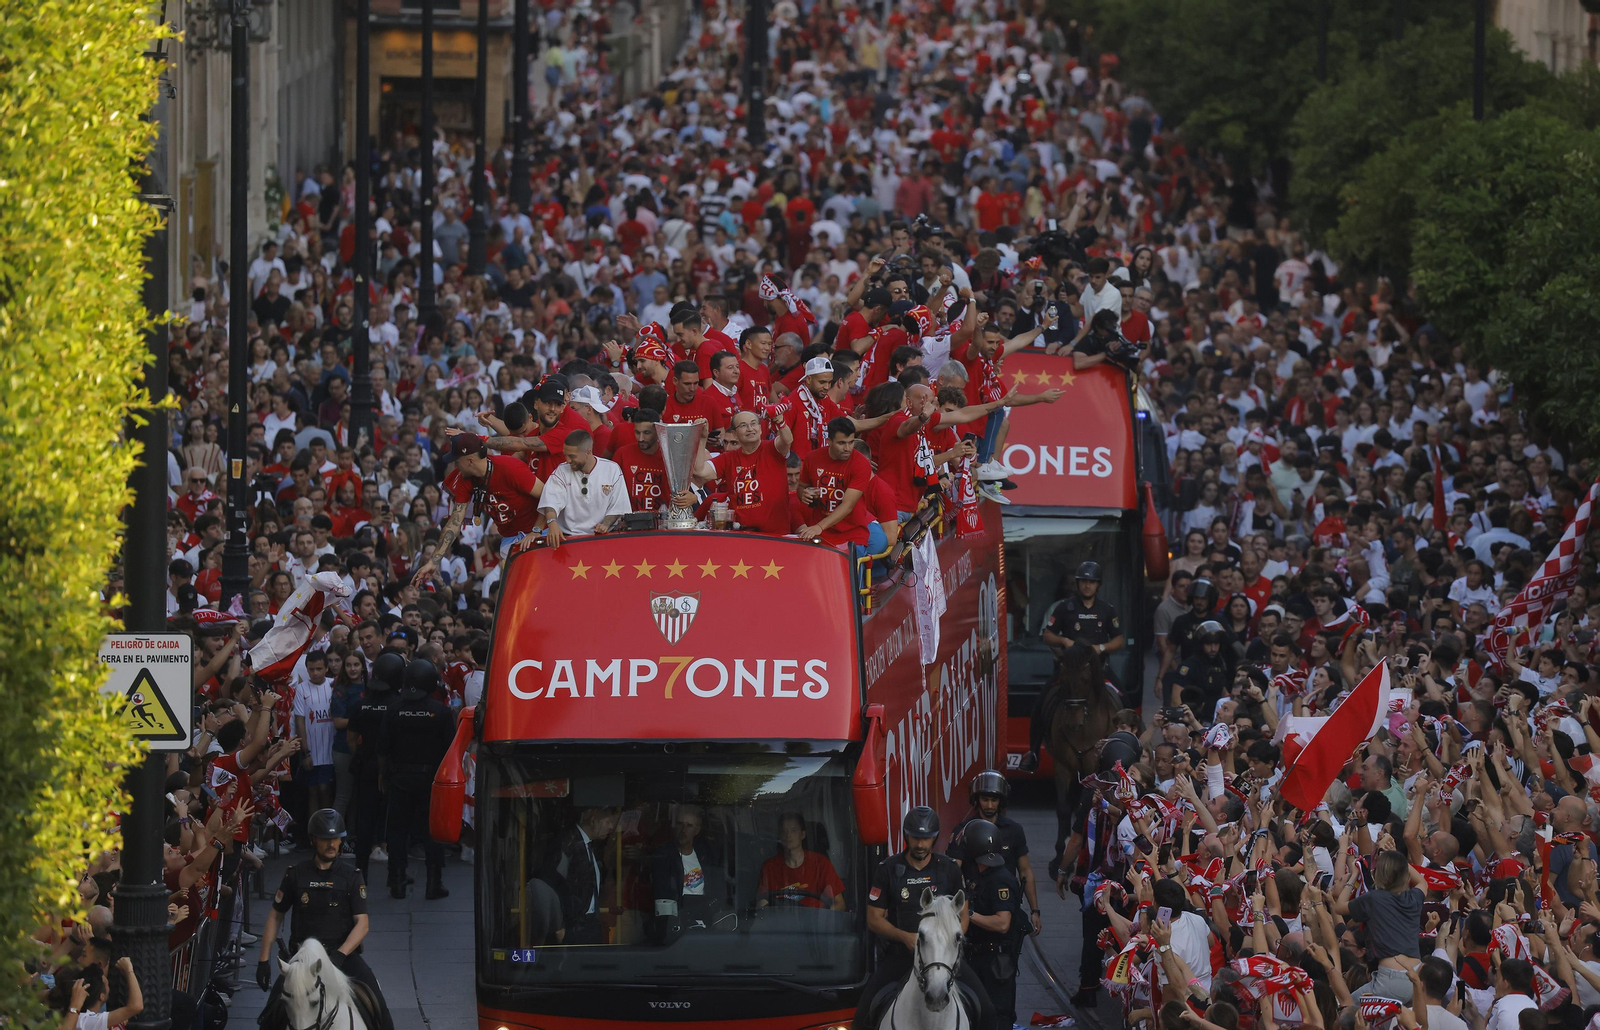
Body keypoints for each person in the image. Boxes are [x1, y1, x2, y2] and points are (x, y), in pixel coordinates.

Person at [852, 806, 995, 1030]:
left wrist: (948, 943)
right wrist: (905, 937)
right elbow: (874, 919)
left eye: (926, 839)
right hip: (900, 956)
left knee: (987, 1011)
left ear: (935, 838)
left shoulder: (949, 869)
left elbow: (963, 917)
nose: (920, 844)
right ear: (906, 836)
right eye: (915, 838)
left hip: (943, 959)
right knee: (862, 1017)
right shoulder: (887, 869)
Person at [256, 809, 394, 1030]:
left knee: (380, 1009)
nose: (331, 844)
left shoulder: (352, 876)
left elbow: (362, 924)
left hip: (342, 957)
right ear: (313, 840)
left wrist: (340, 955)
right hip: (302, 960)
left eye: (336, 838)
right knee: (269, 1018)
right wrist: (263, 960)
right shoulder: (296, 874)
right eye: (325, 839)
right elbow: (275, 915)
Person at [1020, 560, 1125, 771]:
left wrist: (1101, 648)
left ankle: (1130, 749)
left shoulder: (1107, 610)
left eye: (1092, 582)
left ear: (1098, 584)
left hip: (1098, 669)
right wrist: (1063, 641)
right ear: (1077, 583)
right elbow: (1047, 635)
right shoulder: (1064, 607)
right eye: (1083, 581)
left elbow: (1119, 640)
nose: (1087, 585)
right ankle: (1033, 753)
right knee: (1041, 703)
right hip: (1069, 669)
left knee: (1124, 700)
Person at [378, 659, 455, 900]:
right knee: (433, 831)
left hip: (400, 777)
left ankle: (397, 881)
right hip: (431, 780)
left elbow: (383, 748)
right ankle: (434, 883)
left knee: (398, 830)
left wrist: (382, 774)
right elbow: (450, 749)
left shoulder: (394, 709)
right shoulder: (441, 712)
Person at [945, 771, 1040, 937]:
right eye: (985, 799)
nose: (989, 805)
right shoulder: (963, 830)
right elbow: (953, 870)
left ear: (1001, 800)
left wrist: (1035, 910)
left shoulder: (1014, 830)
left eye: (994, 800)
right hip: (974, 905)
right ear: (976, 799)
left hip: (1005, 904)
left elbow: (1025, 871)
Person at [958, 820, 1022, 1030]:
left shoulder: (1000, 880)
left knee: (997, 1015)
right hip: (977, 956)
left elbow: (1002, 923)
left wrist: (968, 914)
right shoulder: (980, 875)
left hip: (995, 961)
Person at [347, 651, 403, 879]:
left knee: (365, 819)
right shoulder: (399, 705)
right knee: (395, 821)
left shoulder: (361, 705)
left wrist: (362, 755)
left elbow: (351, 739)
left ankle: (360, 872)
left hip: (366, 767)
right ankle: (396, 875)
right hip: (393, 769)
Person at [649, 805, 734, 939]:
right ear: (674, 826)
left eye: (689, 826)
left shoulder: (705, 854)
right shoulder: (664, 855)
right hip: (677, 922)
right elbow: (663, 894)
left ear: (697, 830)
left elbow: (716, 889)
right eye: (680, 824)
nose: (683, 830)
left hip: (706, 920)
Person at [542, 805, 622, 945]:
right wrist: (561, 929)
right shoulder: (568, 845)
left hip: (587, 923)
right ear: (593, 819)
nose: (611, 827)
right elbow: (554, 886)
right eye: (608, 821)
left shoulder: (587, 846)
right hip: (573, 927)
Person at [757, 812, 847, 910]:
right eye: (784, 831)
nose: (788, 835)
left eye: (793, 830)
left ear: (803, 834)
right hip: (781, 919)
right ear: (780, 836)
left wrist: (824, 918)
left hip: (815, 918)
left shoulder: (821, 863)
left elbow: (839, 903)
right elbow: (762, 904)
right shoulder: (769, 867)